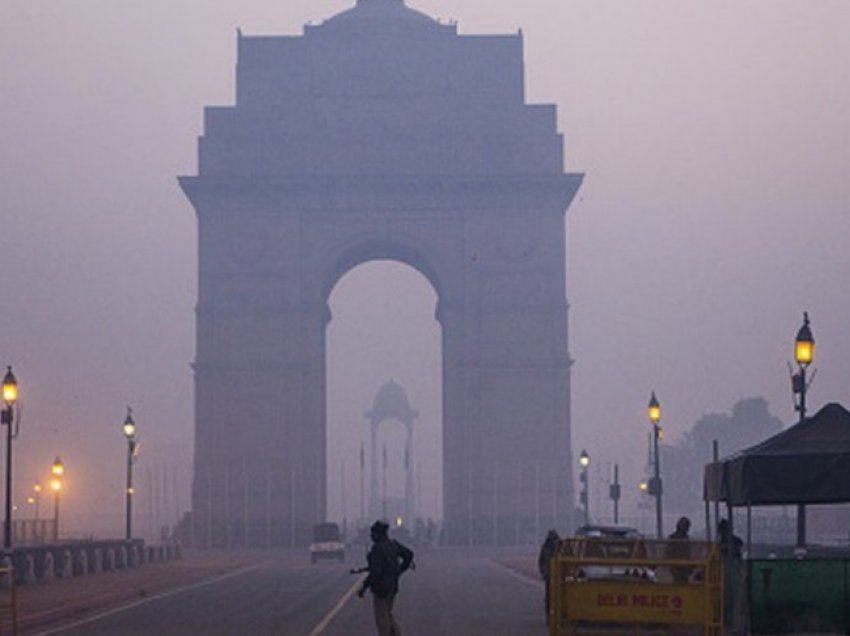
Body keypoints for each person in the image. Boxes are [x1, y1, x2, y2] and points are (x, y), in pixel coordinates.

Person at [357, 520, 415, 636]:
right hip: (393, 586)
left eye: (373, 534)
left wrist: (364, 586)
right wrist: (400, 570)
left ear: (378, 534)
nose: (371, 536)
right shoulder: (393, 545)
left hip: (381, 590)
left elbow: (375, 572)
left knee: (382, 620)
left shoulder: (377, 549)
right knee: (388, 615)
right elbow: (409, 554)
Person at [537, 529, 561, 624]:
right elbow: (541, 561)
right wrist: (544, 572)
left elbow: (541, 561)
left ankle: (556, 616)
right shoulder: (547, 548)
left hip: (557, 575)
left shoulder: (559, 547)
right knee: (549, 597)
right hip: (550, 575)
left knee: (556, 597)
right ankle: (550, 616)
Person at [666, 516, 692, 583]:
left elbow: (688, 552)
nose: (687, 529)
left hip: (685, 565)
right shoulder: (673, 538)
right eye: (686, 526)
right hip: (676, 565)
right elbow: (669, 553)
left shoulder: (686, 538)